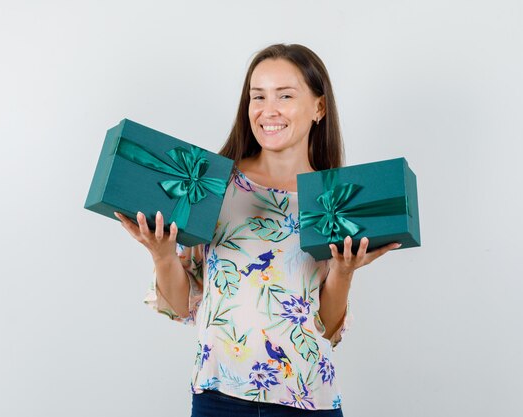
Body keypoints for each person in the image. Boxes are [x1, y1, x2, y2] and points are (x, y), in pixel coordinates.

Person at [114, 43, 400, 416]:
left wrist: (343, 272)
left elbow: (327, 329)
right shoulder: (213, 186)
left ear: (319, 107)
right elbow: (181, 305)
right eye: (258, 96)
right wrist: (162, 254)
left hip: (308, 400)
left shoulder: (333, 200)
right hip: (218, 398)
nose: (269, 110)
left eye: (285, 95)